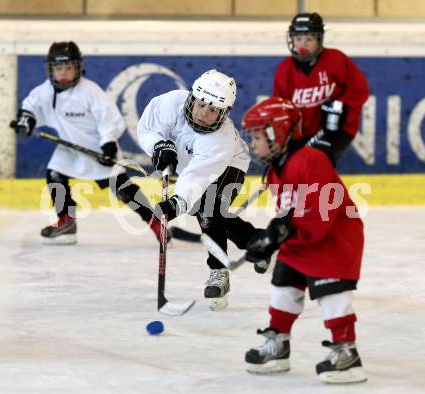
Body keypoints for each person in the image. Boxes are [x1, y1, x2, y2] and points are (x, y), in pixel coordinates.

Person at [241, 97, 367, 384]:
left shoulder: (310, 159)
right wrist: (269, 241)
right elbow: (288, 213)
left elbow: (323, 211)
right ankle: (278, 344)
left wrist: (281, 232)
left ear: (278, 133)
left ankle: (347, 353)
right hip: (303, 236)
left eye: (259, 136)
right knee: (283, 284)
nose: (254, 144)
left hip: (334, 238)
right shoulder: (276, 169)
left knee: (331, 293)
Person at [10, 41, 160, 245]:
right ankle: (66, 222)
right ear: (51, 69)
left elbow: (110, 119)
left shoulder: (90, 91)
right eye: (59, 68)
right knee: (54, 174)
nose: (64, 73)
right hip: (70, 149)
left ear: (78, 67)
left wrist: (108, 144)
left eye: (69, 67)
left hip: (98, 149)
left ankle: (156, 224)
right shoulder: (46, 91)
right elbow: (31, 107)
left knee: (123, 188)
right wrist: (26, 120)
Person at [137, 69, 258, 311]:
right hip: (191, 165)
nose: (205, 114)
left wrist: (176, 204)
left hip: (231, 164)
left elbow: (196, 178)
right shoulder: (169, 102)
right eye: (202, 105)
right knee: (208, 211)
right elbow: (147, 129)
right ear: (191, 98)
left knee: (210, 209)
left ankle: (218, 272)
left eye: (213, 110)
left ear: (224, 113)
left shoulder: (219, 141)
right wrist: (158, 146)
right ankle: (257, 242)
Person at [273, 12, 369, 164]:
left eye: (309, 39)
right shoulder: (284, 70)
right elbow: (281, 107)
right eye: (298, 39)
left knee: (316, 162)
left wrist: (341, 105)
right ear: (291, 39)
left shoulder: (336, 60)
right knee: (289, 167)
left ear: (319, 40)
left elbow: (359, 89)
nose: (302, 44)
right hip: (302, 133)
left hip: (337, 130)